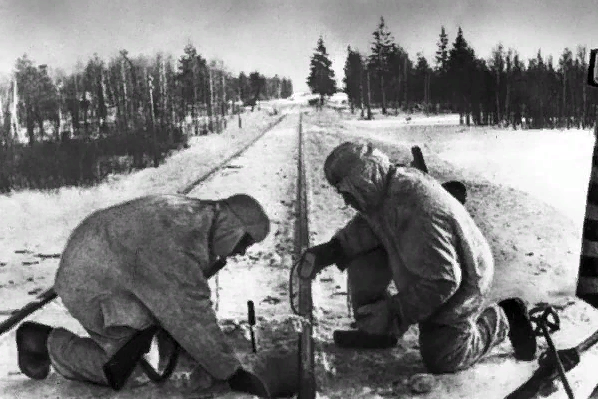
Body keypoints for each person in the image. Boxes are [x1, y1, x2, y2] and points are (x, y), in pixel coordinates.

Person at [16, 193, 293, 396]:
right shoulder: (177, 245)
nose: (243, 251)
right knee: (126, 373)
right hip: (92, 283)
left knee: (164, 319)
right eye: (244, 242)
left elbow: (178, 300)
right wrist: (232, 373)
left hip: (107, 263)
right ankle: (43, 342)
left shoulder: (200, 217)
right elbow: (190, 315)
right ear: (232, 227)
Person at [301, 142, 537, 374]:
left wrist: (395, 311)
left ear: (362, 183)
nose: (346, 201)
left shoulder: (417, 210)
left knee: (444, 357)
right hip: (429, 266)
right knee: (362, 254)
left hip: (465, 277)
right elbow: (370, 225)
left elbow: (443, 282)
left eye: (347, 193)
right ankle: (379, 333)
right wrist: (334, 249)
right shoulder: (384, 189)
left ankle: (507, 316)